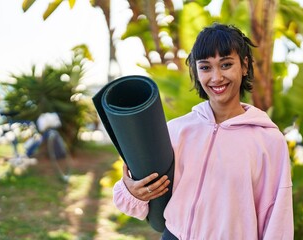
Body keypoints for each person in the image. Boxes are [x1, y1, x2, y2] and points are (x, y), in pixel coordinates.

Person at [113, 23, 293, 239]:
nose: (216, 77)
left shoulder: (268, 140)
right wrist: (132, 192)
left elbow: (277, 216)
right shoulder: (177, 130)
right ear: (196, 72)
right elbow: (141, 200)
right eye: (206, 67)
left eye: (226, 65)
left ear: (244, 66)